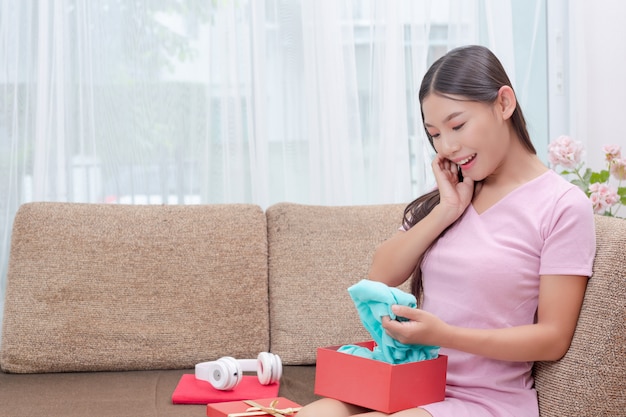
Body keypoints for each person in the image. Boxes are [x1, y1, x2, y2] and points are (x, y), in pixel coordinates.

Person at [297, 45, 596, 417]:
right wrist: (446, 211)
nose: (448, 147)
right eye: (434, 134)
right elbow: (379, 275)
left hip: (485, 400)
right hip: (410, 380)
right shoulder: (454, 194)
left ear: (504, 104)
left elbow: (553, 338)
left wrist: (443, 336)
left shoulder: (563, 206)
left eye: (458, 125)